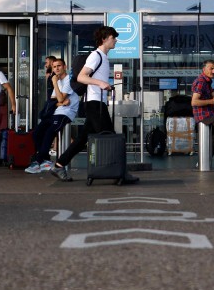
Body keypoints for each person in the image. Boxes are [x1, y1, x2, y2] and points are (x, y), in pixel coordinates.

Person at [50, 25, 137, 183]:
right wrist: (100, 83)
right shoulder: (95, 56)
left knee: (82, 139)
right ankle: (121, 172)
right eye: (113, 37)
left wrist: (104, 85)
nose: (115, 40)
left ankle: (59, 164)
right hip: (94, 104)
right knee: (110, 137)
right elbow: (81, 77)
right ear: (104, 39)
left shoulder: (104, 57)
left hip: (97, 103)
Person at [26, 57, 78, 173]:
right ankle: (46, 161)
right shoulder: (59, 82)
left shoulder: (68, 81)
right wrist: (61, 102)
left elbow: (59, 97)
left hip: (66, 113)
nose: (56, 68)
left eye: (59, 66)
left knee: (50, 132)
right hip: (56, 112)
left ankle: (39, 160)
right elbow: (54, 101)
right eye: (54, 67)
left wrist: (54, 83)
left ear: (64, 67)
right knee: (37, 133)